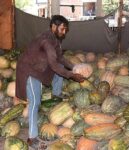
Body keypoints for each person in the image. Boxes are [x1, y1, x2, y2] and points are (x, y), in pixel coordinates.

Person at [15, 15, 84, 149]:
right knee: (35, 103)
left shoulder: (55, 40)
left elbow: (60, 58)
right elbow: (53, 63)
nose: (64, 33)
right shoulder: (46, 40)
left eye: (65, 30)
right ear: (53, 26)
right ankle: (32, 138)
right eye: (62, 29)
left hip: (40, 67)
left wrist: (74, 68)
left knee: (61, 67)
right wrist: (71, 76)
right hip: (30, 71)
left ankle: (56, 93)